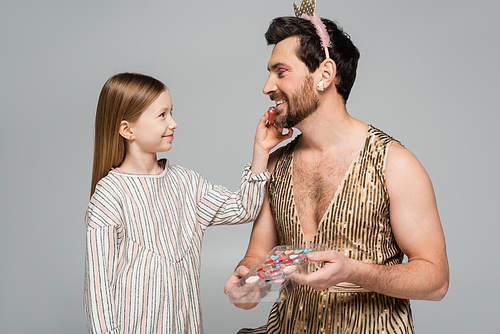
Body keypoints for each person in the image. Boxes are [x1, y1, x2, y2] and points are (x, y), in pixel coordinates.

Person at [224, 14, 449, 334]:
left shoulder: (394, 164)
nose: (267, 87)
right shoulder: (275, 165)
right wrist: (248, 285)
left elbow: (436, 280)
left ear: (324, 74)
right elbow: (258, 257)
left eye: (281, 72)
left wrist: (355, 271)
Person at [84, 72, 292, 334]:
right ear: (128, 129)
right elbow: (98, 291)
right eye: (162, 115)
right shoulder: (109, 195)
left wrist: (261, 152)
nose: (174, 123)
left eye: (171, 112)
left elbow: (244, 208)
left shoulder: (185, 182)